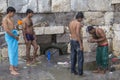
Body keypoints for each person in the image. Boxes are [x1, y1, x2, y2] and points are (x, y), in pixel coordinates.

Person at [2, 7, 19, 75]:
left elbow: (12, 27)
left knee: (15, 51)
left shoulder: (11, 18)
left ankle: (13, 66)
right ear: (9, 12)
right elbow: (7, 30)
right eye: (13, 13)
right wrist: (14, 36)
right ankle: (12, 70)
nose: (14, 14)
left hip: (13, 35)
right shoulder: (5, 19)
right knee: (11, 52)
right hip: (10, 36)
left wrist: (17, 25)